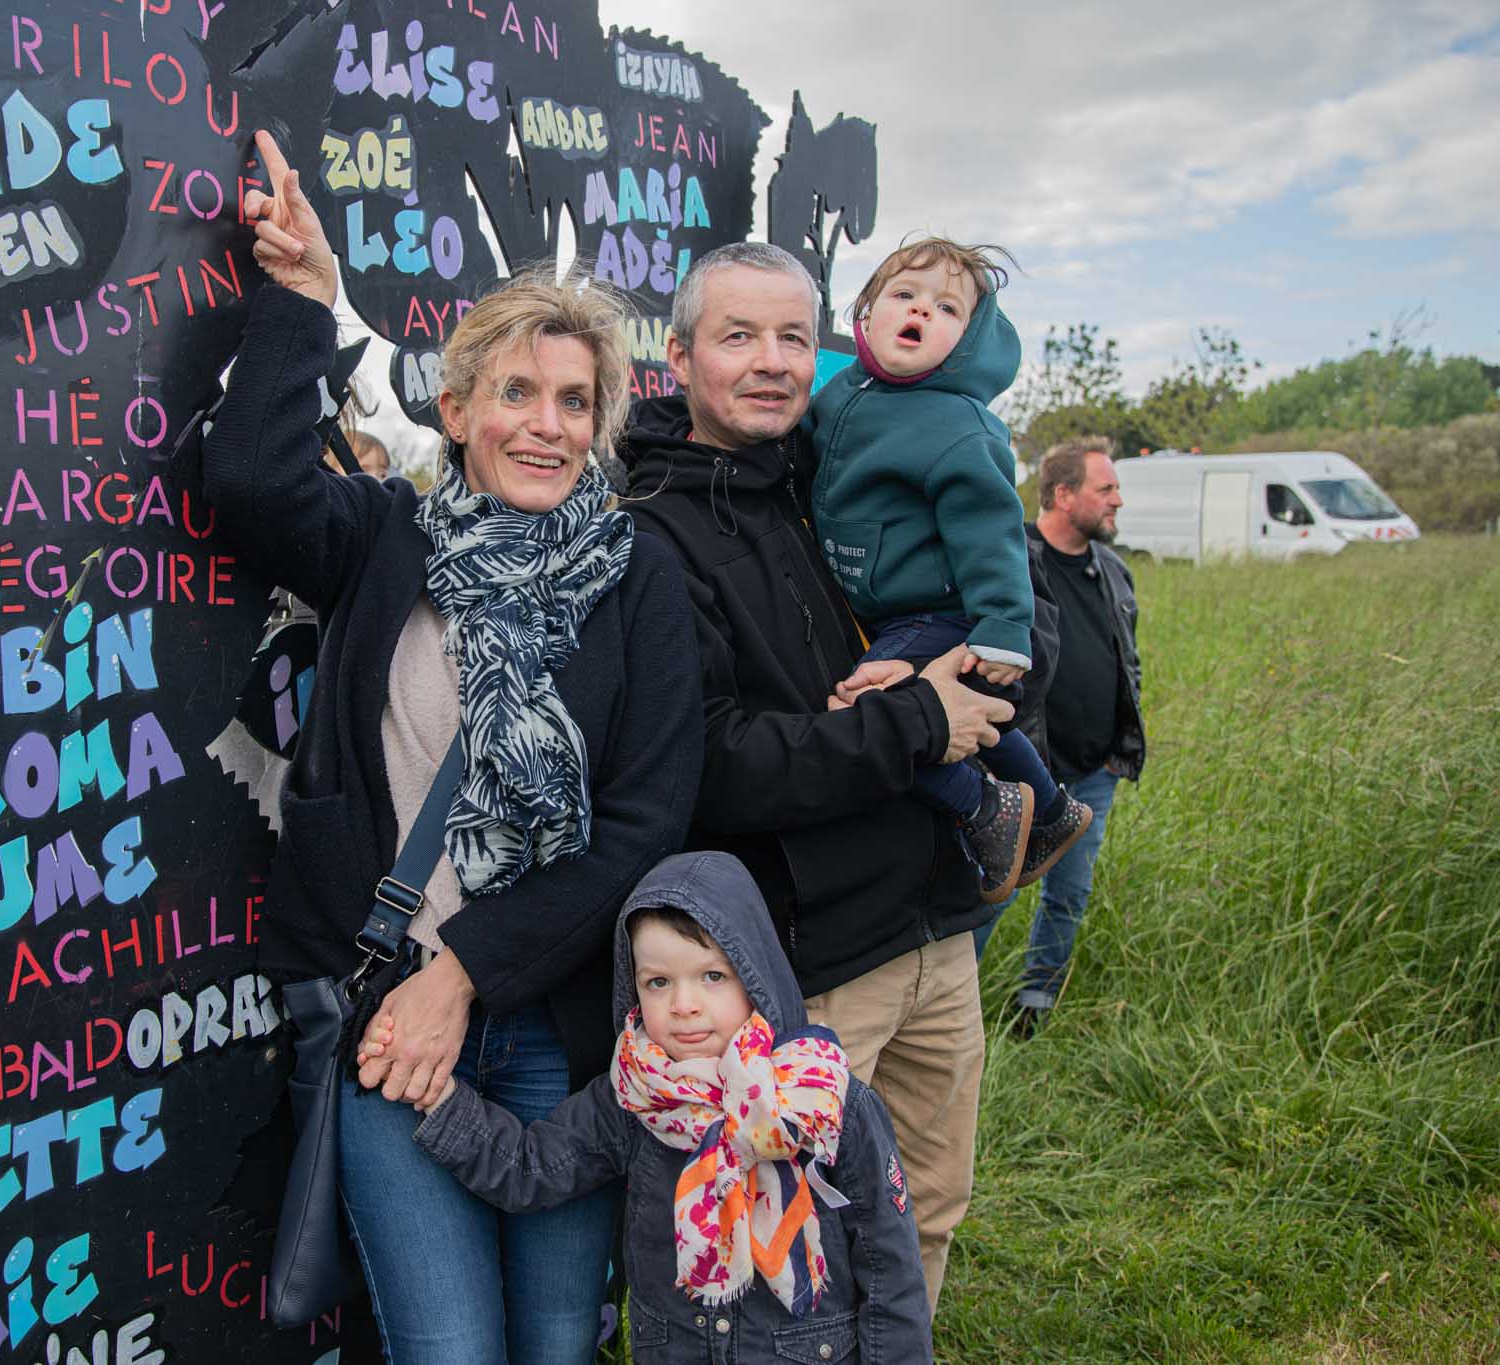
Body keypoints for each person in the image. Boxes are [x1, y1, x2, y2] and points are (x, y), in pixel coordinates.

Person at [198, 130, 703, 1363]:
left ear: (601, 421)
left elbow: (644, 826)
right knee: (445, 1349)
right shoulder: (385, 539)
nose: (545, 425)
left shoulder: (639, 580)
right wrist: (300, 305)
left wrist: (464, 974)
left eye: (574, 400)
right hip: (386, 1029)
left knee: (552, 1343)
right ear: (458, 405)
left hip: (561, 1038)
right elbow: (253, 482)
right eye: (516, 394)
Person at [621, 240, 1009, 1310]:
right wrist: (922, 720)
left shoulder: (836, 474)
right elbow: (717, 766)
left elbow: (993, 597)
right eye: (737, 335)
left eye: (793, 336)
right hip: (811, 964)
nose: (771, 361)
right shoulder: (651, 534)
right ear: (677, 355)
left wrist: (979, 663)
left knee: (927, 1207)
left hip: (933, 929)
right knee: (794, 1252)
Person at [375, 851, 931, 1363]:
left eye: (713, 976)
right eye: (658, 982)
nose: (684, 1006)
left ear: (756, 972)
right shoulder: (634, 1098)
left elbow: (890, 1271)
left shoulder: (825, 1101)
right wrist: (442, 1101)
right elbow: (532, 1168)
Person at [809, 237, 1091, 902]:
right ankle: (1050, 808)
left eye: (946, 308)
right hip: (883, 606)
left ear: (965, 342)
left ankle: (983, 806)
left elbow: (993, 532)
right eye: (904, 296)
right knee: (976, 715)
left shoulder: (958, 425)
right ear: (867, 313)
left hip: (940, 609)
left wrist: (1002, 628)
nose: (921, 311)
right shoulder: (840, 393)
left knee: (866, 710)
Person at [1001, 437, 1144, 1035]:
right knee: (988, 895)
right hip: (1020, 774)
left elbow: (1126, 663)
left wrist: (1117, 753)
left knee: (1069, 894)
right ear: (1063, 495)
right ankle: (950, 1016)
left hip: (1092, 775)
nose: (1118, 501)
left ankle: (1036, 1001)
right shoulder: (1009, 557)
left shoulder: (1112, 569)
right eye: (1105, 489)